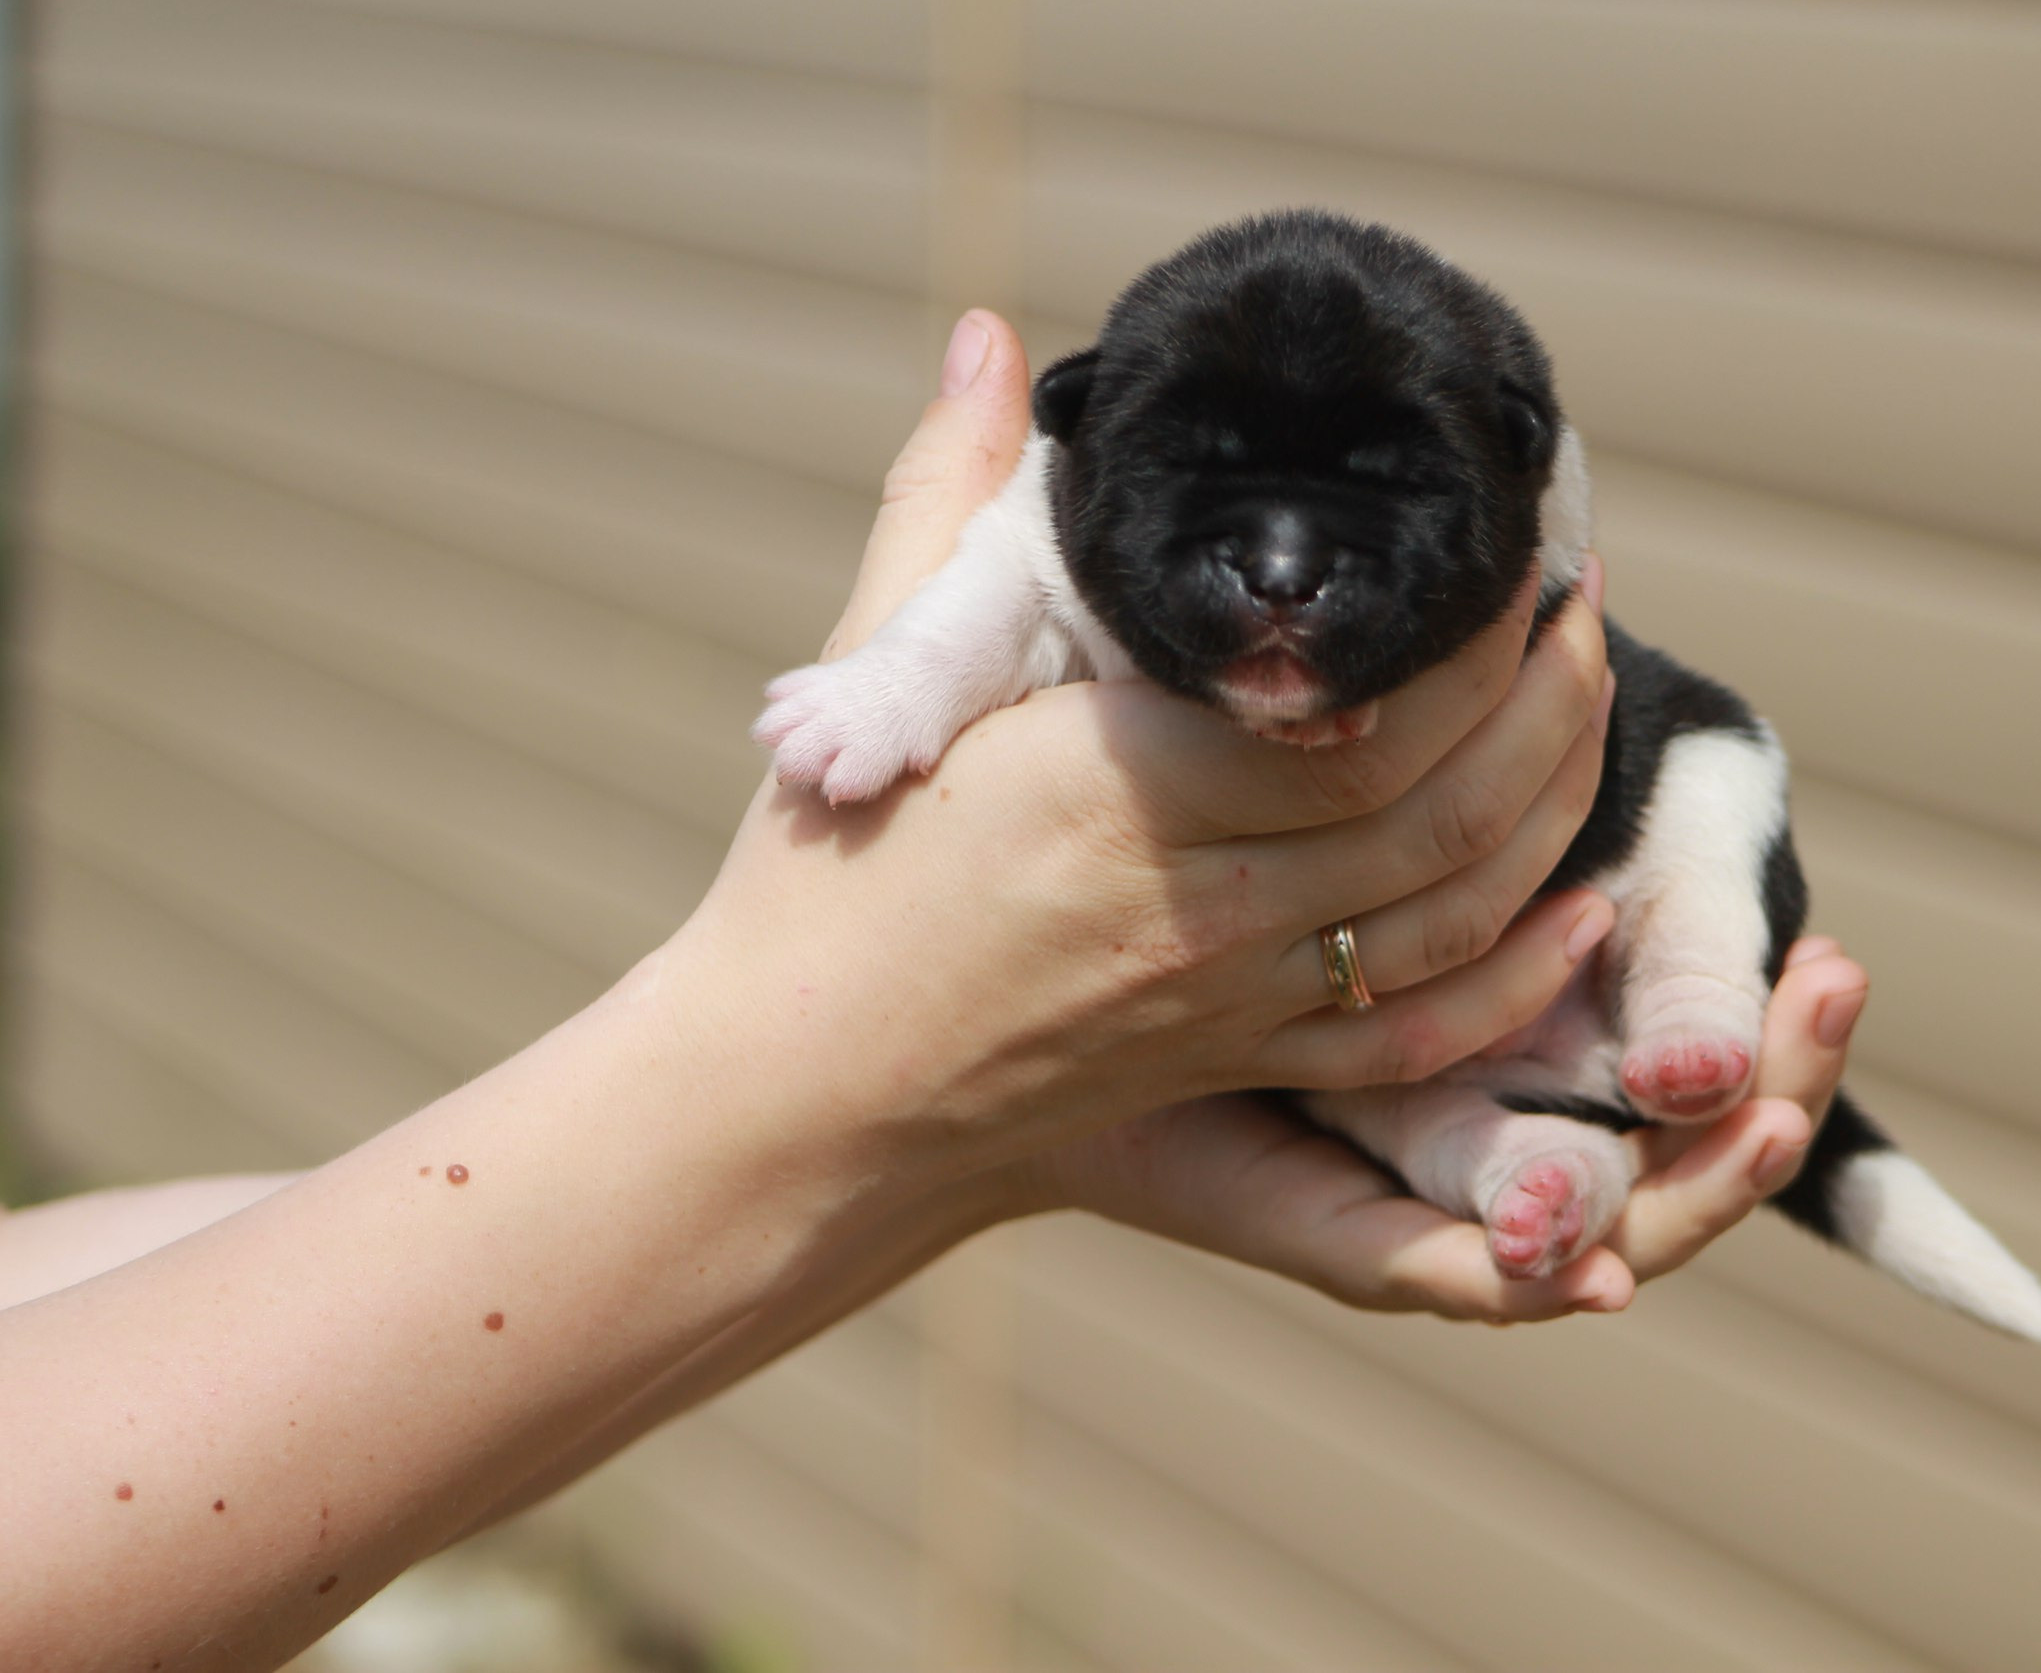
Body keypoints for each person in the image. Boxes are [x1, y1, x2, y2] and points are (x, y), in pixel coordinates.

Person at [0, 312, 1870, 1668]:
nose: (1288, 562)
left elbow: (93, 1332)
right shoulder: (1066, 539)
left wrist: (973, 1125)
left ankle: (1533, 1107)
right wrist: (822, 1064)